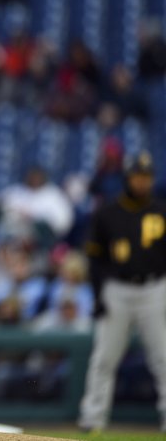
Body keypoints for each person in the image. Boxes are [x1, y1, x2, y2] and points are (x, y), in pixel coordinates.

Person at [78, 151, 166, 433]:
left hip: (154, 288)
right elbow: (95, 259)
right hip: (117, 289)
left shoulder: (161, 211)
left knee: (163, 358)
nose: (142, 182)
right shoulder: (108, 213)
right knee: (104, 358)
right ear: (127, 178)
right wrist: (98, 295)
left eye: (146, 177)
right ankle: (92, 421)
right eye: (137, 177)